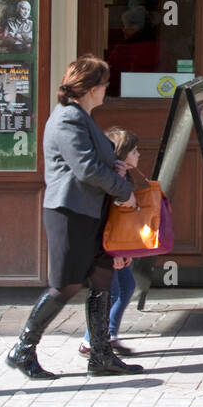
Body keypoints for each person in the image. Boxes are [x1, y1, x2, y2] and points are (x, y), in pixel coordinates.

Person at [6, 55, 144, 379]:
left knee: (102, 279)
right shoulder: (68, 119)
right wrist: (123, 190)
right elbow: (85, 168)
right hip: (69, 213)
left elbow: (97, 163)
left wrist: (116, 168)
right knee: (64, 286)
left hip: (89, 211)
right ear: (90, 87)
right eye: (104, 83)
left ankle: (100, 355)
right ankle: (23, 349)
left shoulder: (83, 117)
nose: (107, 88)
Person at [78, 126, 141, 358]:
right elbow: (109, 220)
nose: (138, 155)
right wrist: (115, 252)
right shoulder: (110, 181)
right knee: (110, 293)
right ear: (121, 153)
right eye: (134, 151)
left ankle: (110, 335)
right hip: (105, 245)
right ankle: (90, 341)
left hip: (117, 245)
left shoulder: (122, 177)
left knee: (126, 287)